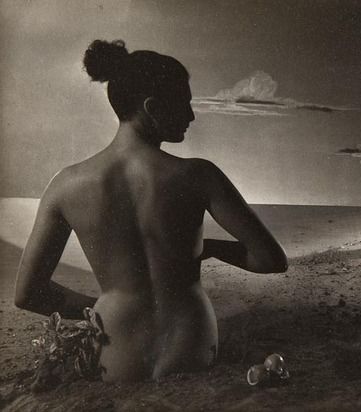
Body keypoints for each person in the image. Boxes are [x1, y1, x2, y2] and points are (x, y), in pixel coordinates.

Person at [14, 40, 288, 382]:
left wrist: (103, 305)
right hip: (192, 346)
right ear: (153, 107)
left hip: (115, 352)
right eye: (184, 103)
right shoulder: (198, 175)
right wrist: (211, 248)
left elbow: (28, 294)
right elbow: (271, 260)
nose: (191, 115)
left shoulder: (65, 185)